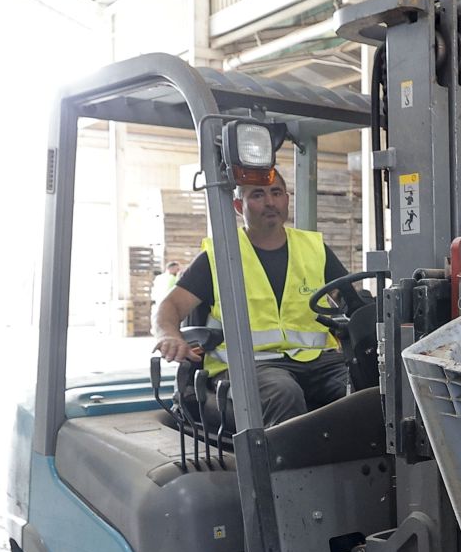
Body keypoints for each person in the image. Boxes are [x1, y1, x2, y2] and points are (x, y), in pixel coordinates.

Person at [154, 171, 363, 425]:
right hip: (249, 365)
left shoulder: (313, 248)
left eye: (276, 193)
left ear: (286, 199)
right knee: (283, 392)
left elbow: (352, 301)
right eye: (258, 195)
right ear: (238, 206)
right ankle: (283, 453)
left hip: (318, 361)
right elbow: (170, 306)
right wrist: (168, 335)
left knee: (366, 386)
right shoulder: (220, 255)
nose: (270, 202)